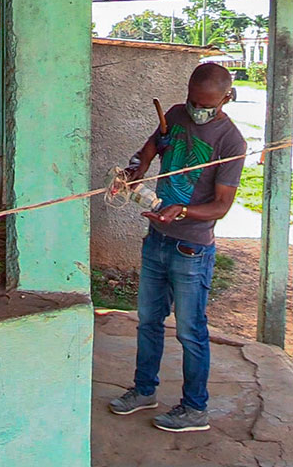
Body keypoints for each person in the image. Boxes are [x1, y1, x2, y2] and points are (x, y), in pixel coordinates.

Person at [109, 63, 246, 433]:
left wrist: (182, 209)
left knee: (190, 331)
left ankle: (195, 408)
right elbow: (149, 148)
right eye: (193, 102)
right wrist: (135, 169)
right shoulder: (175, 115)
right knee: (149, 322)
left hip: (192, 248)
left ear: (226, 98)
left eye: (208, 106)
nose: (198, 111)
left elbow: (221, 206)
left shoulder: (231, 141)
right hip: (159, 239)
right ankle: (143, 391)